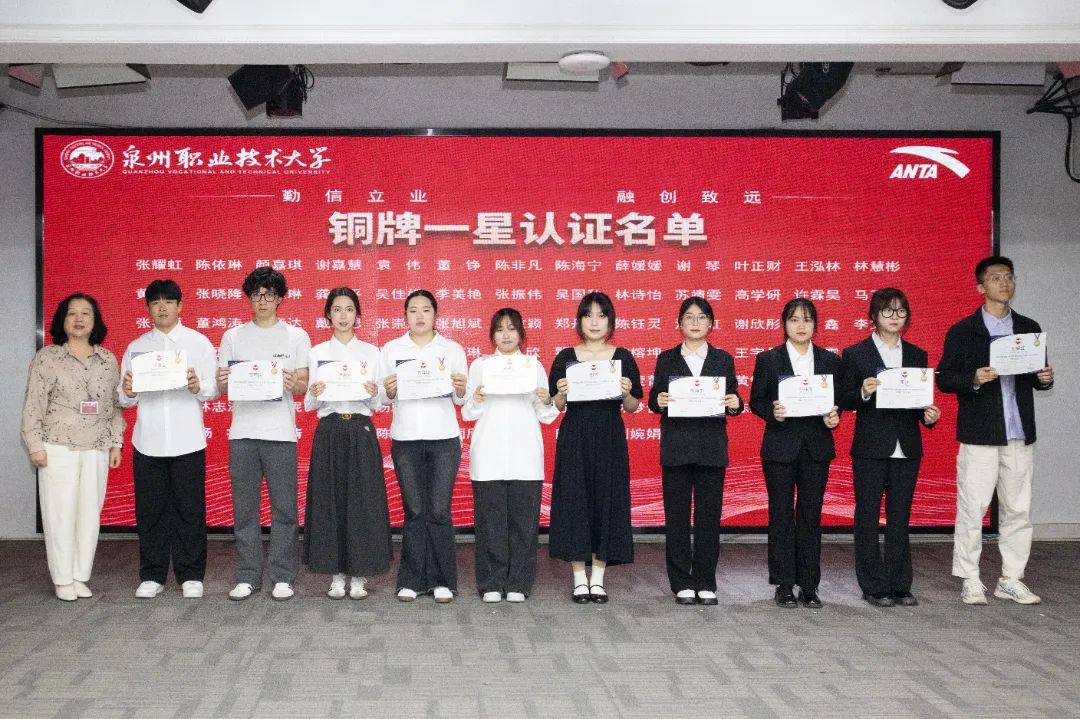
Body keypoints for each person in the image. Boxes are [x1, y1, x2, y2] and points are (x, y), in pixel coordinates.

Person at [937, 256, 1054, 605]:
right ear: (980, 287)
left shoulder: (1029, 327)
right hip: (980, 434)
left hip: (1018, 432)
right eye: (996, 278)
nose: (1004, 283)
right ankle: (970, 578)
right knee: (973, 508)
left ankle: (1011, 579)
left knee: (1018, 508)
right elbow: (945, 378)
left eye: (1009, 277)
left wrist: (1044, 378)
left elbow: (1037, 375)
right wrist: (973, 378)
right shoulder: (964, 331)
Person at [839, 288, 940, 607]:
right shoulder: (856, 353)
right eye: (887, 311)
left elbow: (918, 402)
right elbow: (844, 398)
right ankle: (872, 584)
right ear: (873, 316)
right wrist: (863, 392)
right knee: (867, 516)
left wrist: (928, 415)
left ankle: (899, 583)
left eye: (900, 311)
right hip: (870, 446)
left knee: (900, 516)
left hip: (907, 446)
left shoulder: (917, 355)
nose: (895, 317)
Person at [118, 279, 219, 599]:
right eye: (155, 302)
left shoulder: (198, 343)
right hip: (148, 441)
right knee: (150, 511)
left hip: (188, 440)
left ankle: (191, 575)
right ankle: (152, 574)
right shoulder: (136, 347)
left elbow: (213, 389)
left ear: (180, 306)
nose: (162, 307)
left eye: (168, 301)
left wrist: (197, 386)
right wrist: (128, 390)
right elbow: (123, 397)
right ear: (147, 308)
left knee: (190, 510)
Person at [21, 293, 123, 601]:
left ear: (95, 321)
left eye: (86, 313)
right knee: (60, 515)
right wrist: (35, 445)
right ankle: (62, 578)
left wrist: (115, 442)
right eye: (72, 313)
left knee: (89, 515)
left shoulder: (107, 359)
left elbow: (114, 405)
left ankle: (80, 575)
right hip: (57, 447)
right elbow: (33, 405)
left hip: (97, 447)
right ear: (62, 321)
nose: (79, 319)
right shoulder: (48, 358)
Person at [216, 267, 310, 601]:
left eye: (270, 294)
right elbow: (221, 384)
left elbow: (303, 384)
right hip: (242, 433)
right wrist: (223, 381)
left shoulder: (296, 336)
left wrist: (293, 382)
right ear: (249, 298)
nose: (263, 300)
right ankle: (247, 576)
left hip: (281, 434)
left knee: (285, 510)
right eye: (256, 294)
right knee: (245, 510)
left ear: (280, 298)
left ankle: (283, 576)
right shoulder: (233, 337)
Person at [648, 297, 743, 606]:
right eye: (689, 317)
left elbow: (734, 398)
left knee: (708, 519)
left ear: (711, 324)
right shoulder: (666, 359)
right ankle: (681, 582)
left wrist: (735, 404)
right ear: (679, 323)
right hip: (676, 448)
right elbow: (653, 398)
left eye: (701, 317)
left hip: (711, 449)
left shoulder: (723, 359)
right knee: (676, 519)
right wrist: (658, 400)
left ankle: (705, 581)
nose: (695, 322)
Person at [549, 291, 643, 603]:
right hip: (575, 436)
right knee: (574, 501)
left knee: (607, 501)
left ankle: (598, 579)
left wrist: (626, 392)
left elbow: (632, 406)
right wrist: (561, 392)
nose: (594, 321)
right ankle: (579, 578)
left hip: (609, 436)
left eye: (601, 315)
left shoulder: (622, 357)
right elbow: (556, 404)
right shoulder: (566, 357)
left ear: (610, 321)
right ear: (579, 320)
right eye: (588, 315)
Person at [749, 298, 841, 609]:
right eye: (794, 319)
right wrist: (771, 412)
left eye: (807, 320)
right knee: (781, 515)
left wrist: (834, 417)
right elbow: (756, 400)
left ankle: (810, 585)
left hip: (816, 447)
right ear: (784, 324)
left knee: (811, 516)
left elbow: (836, 403)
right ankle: (784, 584)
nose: (801, 326)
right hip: (779, 446)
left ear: (816, 325)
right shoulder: (768, 359)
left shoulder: (830, 361)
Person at [461, 308, 558, 603]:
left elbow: (546, 415)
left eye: (512, 329)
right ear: (492, 334)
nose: (506, 335)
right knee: (489, 523)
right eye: (500, 329)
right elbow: (468, 412)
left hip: (525, 453)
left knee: (523, 523)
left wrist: (547, 399)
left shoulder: (533, 366)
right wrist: (476, 398)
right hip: (488, 453)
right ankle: (491, 582)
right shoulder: (480, 366)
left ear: (521, 334)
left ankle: (519, 582)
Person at [380, 289, 468, 603]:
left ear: (435, 314)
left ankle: (443, 581)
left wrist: (461, 388)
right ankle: (412, 580)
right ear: (405, 315)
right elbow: (381, 398)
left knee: (439, 510)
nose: (419, 316)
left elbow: (461, 400)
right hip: (406, 439)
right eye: (413, 310)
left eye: (426, 310)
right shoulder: (391, 350)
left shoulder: (452, 350)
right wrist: (389, 390)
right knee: (415, 510)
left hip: (444, 439)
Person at [303, 288, 392, 600]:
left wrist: (373, 392)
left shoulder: (371, 353)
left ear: (358, 315)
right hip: (329, 430)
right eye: (337, 309)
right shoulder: (317, 353)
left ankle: (359, 574)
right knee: (330, 501)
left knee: (361, 503)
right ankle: (336, 574)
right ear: (328, 315)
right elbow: (310, 404)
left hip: (359, 430)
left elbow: (379, 402)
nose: (343, 316)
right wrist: (314, 391)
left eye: (349, 309)